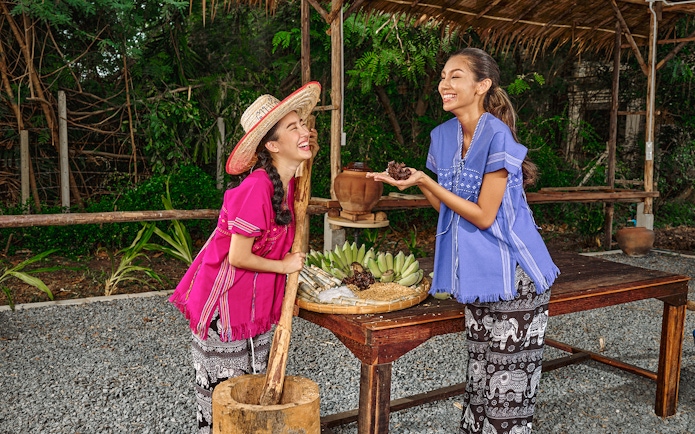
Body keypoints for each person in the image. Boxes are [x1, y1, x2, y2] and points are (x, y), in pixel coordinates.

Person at [369, 48, 560, 433]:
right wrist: (417, 182)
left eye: (456, 76)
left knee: (507, 393)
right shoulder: (441, 137)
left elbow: (485, 215)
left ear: (482, 85)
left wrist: (425, 180)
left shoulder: (497, 134)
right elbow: (447, 209)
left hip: (514, 276)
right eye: (443, 75)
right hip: (475, 277)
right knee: (478, 382)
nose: (444, 84)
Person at [169, 81, 321, 433]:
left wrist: (304, 144)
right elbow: (238, 256)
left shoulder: (286, 184)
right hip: (227, 304)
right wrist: (285, 266)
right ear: (271, 144)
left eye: (303, 124)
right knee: (224, 398)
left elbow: (300, 162)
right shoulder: (256, 188)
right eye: (292, 127)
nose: (304, 131)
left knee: (256, 389)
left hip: (256, 302)